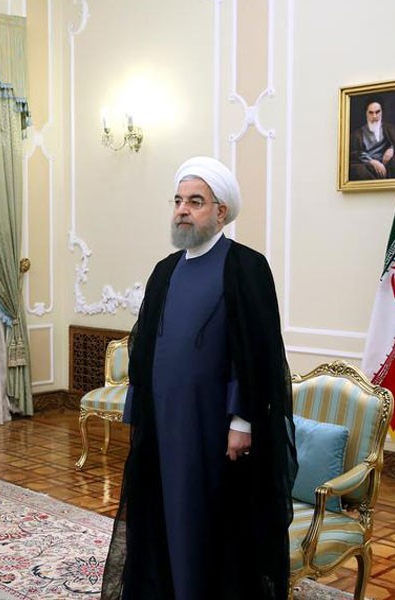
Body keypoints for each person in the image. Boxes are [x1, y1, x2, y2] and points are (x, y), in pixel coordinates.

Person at [100, 157, 297, 600]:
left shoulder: (246, 266)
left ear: (220, 211)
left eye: (195, 201)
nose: (182, 210)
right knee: (163, 517)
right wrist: (139, 411)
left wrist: (242, 421)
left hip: (214, 426)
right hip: (165, 423)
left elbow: (256, 355)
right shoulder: (165, 270)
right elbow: (145, 346)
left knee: (208, 522)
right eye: (177, 201)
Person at [349, 97, 395, 180]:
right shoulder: (357, 134)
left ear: (382, 112)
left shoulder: (391, 129)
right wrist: (372, 162)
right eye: (371, 113)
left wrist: (392, 149)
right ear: (366, 113)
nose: (374, 116)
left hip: (388, 164)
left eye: (377, 112)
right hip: (367, 165)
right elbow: (355, 153)